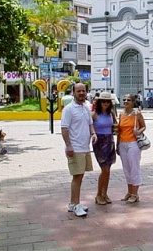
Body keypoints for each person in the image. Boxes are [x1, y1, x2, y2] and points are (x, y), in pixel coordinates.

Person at [61, 83, 97, 217]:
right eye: (79, 91)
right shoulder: (69, 109)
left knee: (80, 176)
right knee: (77, 177)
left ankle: (73, 203)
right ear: (73, 93)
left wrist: (93, 134)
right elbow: (64, 128)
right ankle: (75, 205)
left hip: (85, 147)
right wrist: (68, 145)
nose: (81, 93)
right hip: (75, 148)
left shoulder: (86, 107)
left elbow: (90, 124)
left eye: (83, 91)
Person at [116, 94, 146, 203]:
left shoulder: (137, 114)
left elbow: (143, 126)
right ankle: (129, 192)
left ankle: (135, 193)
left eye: (128, 100)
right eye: (124, 99)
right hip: (122, 143)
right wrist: (117, 145)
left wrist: (137, 132)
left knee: (134, 168)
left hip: (133, 143)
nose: (126, 101)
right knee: (126, 169)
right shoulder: (121, 114)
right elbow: (119, 131)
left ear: (133, 102)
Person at [92, 92, 118, 205]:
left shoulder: (111, 113)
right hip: (99, 142)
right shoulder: (94, 114)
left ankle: (105, 193)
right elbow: (89, 128)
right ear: (99, 102)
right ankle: (98, 194)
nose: (105, 103)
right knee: (104, 169)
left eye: (108, 101)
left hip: (110, 141)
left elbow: (116, 125)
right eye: (103, 101)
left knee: (108, 169)